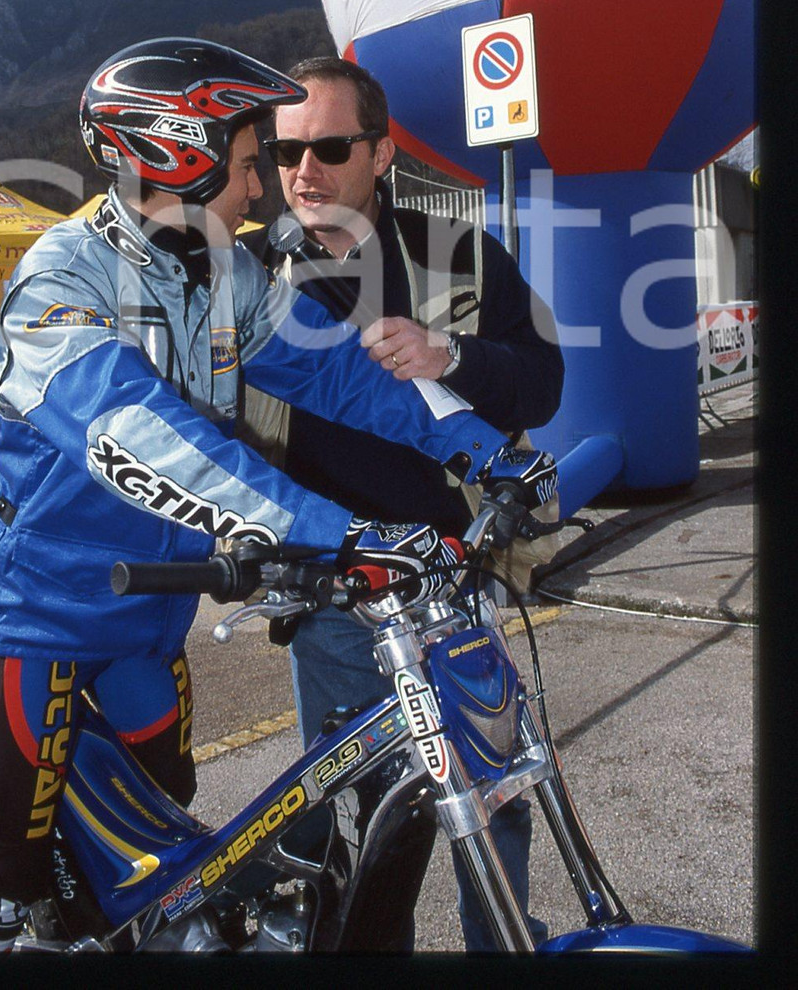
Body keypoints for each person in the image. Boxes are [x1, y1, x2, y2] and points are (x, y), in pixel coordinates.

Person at [0, 36, 540, 954]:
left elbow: (347, 377)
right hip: (41, 616)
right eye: (253, 164)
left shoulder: (224, 270)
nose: (262, 189)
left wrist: (488, 452)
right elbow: (148, 441)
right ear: (181, 156)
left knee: (160, 864)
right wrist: (339, 533)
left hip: (153, 615)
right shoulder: (60, 279)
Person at [242, 55, 565, 951]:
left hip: (457, 589)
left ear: (383, 153)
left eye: (330, 147)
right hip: (333, 596)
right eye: (284, 150)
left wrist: (450, 355)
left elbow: (544, 384)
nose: (302, 172)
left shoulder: (461, 253)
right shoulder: (246, 276)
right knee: (364, 827)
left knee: (494, 810)